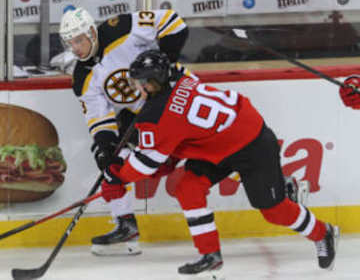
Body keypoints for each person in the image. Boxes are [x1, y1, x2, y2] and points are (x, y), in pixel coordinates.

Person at [101, 49, 340, 276]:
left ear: (152, 83)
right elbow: (176, 127)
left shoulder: (158, 115)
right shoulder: (180, 75)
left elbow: (145, 165)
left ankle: (323, 233)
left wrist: (117, 176)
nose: (136, 88)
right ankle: (210, 255)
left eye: (139, 83)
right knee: (188, 187)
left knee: (274, 212)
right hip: (219, 141)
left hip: (251, 144)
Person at [59, 7, 192, 256]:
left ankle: (262, 174)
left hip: (179, 97)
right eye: (70, 43)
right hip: (145, 115)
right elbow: (100, 119)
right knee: (107, 159)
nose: (75, 48)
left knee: (208, 147)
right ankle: (125, 224)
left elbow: (173, 22)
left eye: (78, 40)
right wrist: (106, 146)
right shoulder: (82, 77)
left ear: (91, 32)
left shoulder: (119, 28)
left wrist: (162, 69)